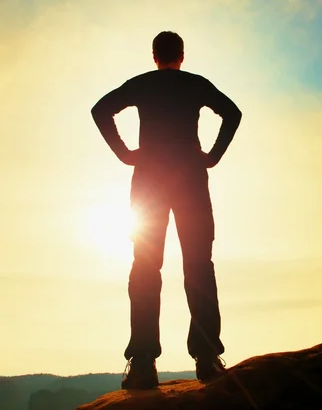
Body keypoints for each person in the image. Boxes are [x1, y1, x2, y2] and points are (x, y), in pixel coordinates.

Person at [91, 31, 242, 390]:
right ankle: (206, 358)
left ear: (155, 54)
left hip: (149, 180)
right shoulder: (195, 84)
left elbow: (100, 109)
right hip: (190, 177)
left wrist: (126, 153)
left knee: (145, 265)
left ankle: (143, 362)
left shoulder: (142, 83)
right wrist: (213, 156)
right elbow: (232, 113)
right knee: (199, 265)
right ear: (182, 55)